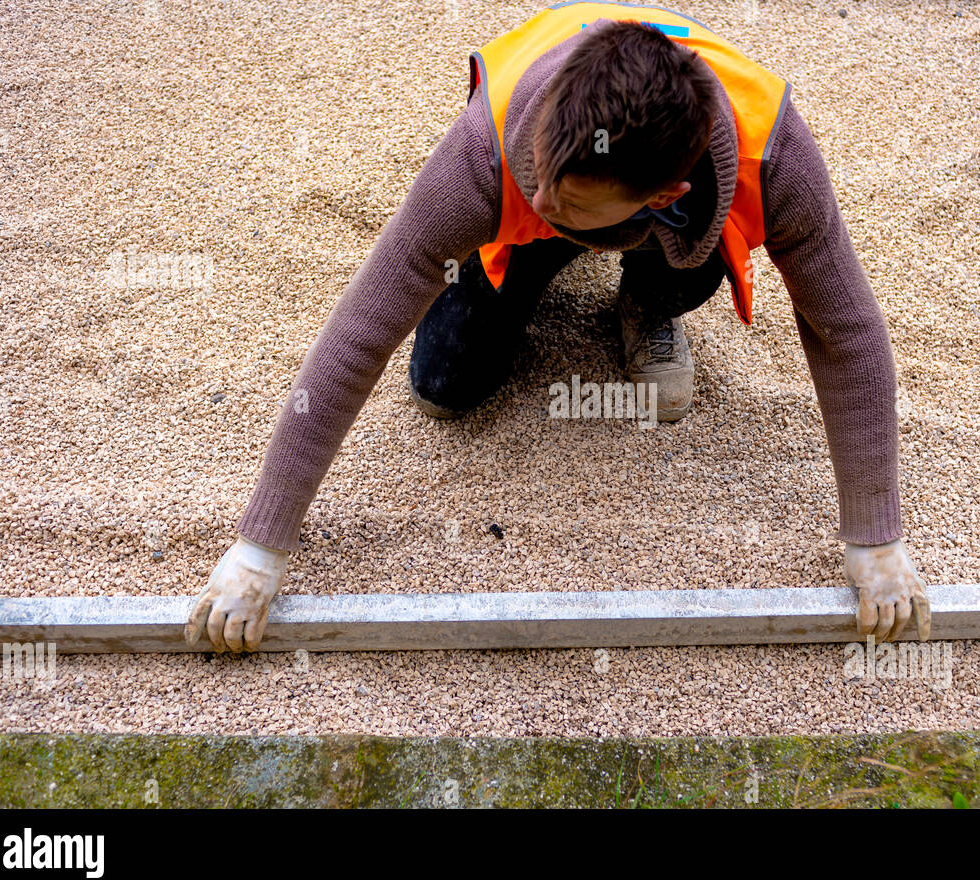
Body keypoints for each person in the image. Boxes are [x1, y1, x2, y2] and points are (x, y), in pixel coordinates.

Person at [185, 2, 930, 654]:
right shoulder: (487, 154)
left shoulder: (776, 157)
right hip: (545, 218)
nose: (538, 196)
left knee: (699, 257)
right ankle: (544, 265)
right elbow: (359, 332)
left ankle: (647, 300)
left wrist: (876, 540)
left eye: (562, 202)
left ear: (665, 193)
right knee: (443, 383)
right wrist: (260, 548)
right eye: (537, 177)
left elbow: (848, 335)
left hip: (670, 231)